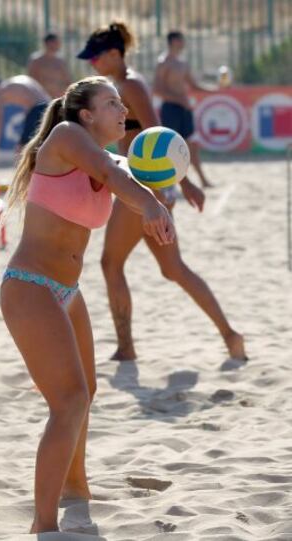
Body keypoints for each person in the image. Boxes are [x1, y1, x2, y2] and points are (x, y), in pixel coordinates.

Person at [0, 76, 174, 533]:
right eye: (111, 102)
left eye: (122, 102)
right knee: (70, 400)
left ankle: (76, 487)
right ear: (86, 114)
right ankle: (43, 524)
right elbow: (116, 178)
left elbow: (129, 173)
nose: (122, 109)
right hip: (29, 285)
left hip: (66, 292)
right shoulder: (66, 137)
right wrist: (150, 205)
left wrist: (176, 188)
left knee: (85, 394)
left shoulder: (108, 156)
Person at [77, 22, 247, 362]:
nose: (91, 64)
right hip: (148, 187)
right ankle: (231, 336)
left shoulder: (130, 84)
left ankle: (126, 347)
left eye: (95, 57)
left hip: (144, 188)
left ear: (113, 54)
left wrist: (181, 182)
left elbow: (159, 136)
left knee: (111, 264)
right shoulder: (117, 86)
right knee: (174, 270)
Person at [153, 30, 215, 189]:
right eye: (181, 40)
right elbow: (157, 89)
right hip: (171, 109)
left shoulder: (182, 63)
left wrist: (214, 89)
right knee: (171, 147)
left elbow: (193, 85)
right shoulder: (163, 62)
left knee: (192, 145)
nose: (183, 43)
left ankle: (202, 179)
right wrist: (179, 99)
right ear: (173, 41)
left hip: (184, 109)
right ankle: (171, 181)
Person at [0, 74, 50, 161]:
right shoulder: (15, 81)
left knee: (21, 148)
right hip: (48, 106)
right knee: (41, 143)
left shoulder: (0, 92)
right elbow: (32, 99)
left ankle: (26, 173)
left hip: (37, 109)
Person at [27, 32, 72, 98]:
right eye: (55, 42)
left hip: (57, 98)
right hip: (40, 98)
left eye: (58, 42)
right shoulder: (36, 61)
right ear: (47, 43)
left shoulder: (60, 61)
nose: (58, 45)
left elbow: (67, 80)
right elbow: (31, 80)